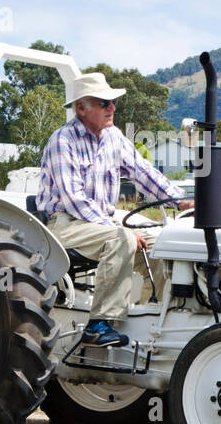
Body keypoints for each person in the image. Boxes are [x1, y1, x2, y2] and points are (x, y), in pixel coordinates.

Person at [38, 72, 192, 347]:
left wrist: (179, 200)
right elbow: (74, 199)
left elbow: (143, 172)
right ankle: (99, 324)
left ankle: (154, 315)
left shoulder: (114, 137)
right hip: (64, 226)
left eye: (112, 102)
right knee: (121, 238)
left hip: (98, 222)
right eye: (104, 102)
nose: (113, 108)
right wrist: (117, 229)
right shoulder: (63, 141)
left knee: (163, 242)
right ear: (81, 108)